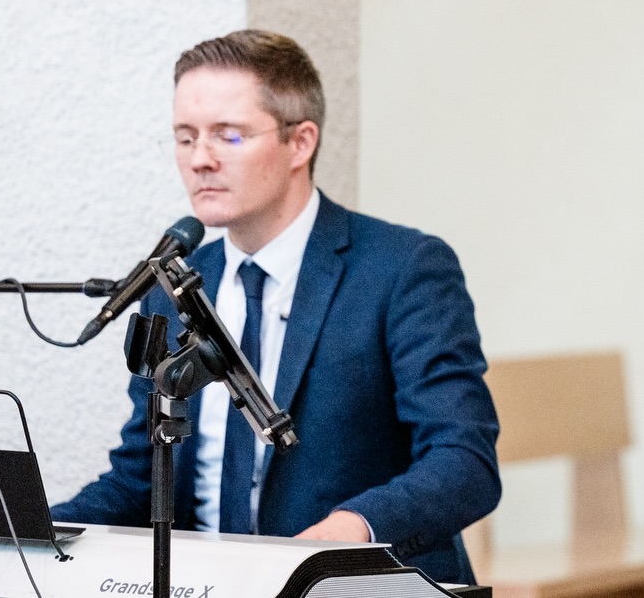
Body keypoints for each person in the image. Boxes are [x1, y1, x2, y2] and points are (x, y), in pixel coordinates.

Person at [54, 30, 500, 585]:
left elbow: (464, 462)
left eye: (229, 136)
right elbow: (143, 479)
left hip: (356, 588)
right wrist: (20, 532)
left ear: (300, 142)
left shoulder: (405, 269)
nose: (201, 160)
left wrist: (345, 532)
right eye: (185, 137)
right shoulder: (173, 286)